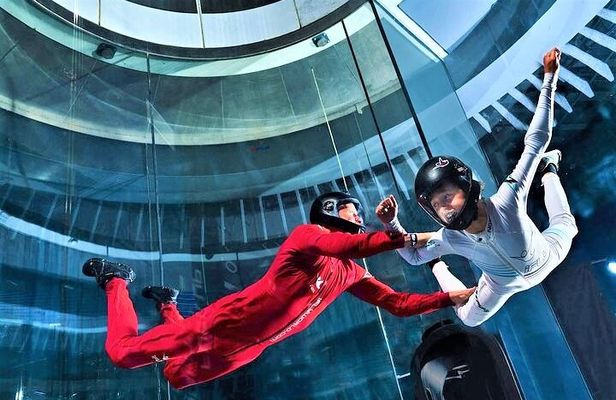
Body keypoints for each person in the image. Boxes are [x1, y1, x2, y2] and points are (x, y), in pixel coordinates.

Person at [83, 191, 474, 390]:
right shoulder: (310, 237)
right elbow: (351, 245)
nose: (358, 215)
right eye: (351, 209)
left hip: (247, 349)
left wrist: (449, 298)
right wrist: (402, 236)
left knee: (175, 376)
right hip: (221, 325)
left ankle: (168, 304)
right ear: (330, 210)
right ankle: (116, 279)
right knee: (121, 355)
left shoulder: (351, 274)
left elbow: (398, 304)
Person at [376, 47, 578, 327]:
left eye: (446, 196)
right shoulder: (450, 237)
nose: (443, 207)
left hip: (549, 255)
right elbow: (412, 257)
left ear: (466, 186)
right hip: (500, 286)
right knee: (468, 318)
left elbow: (537, 140)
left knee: (567, 224)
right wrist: (392, 225)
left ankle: (549, 170)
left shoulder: (506, 200)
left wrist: (549, 77)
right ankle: (441, 268)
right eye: (436, 205)